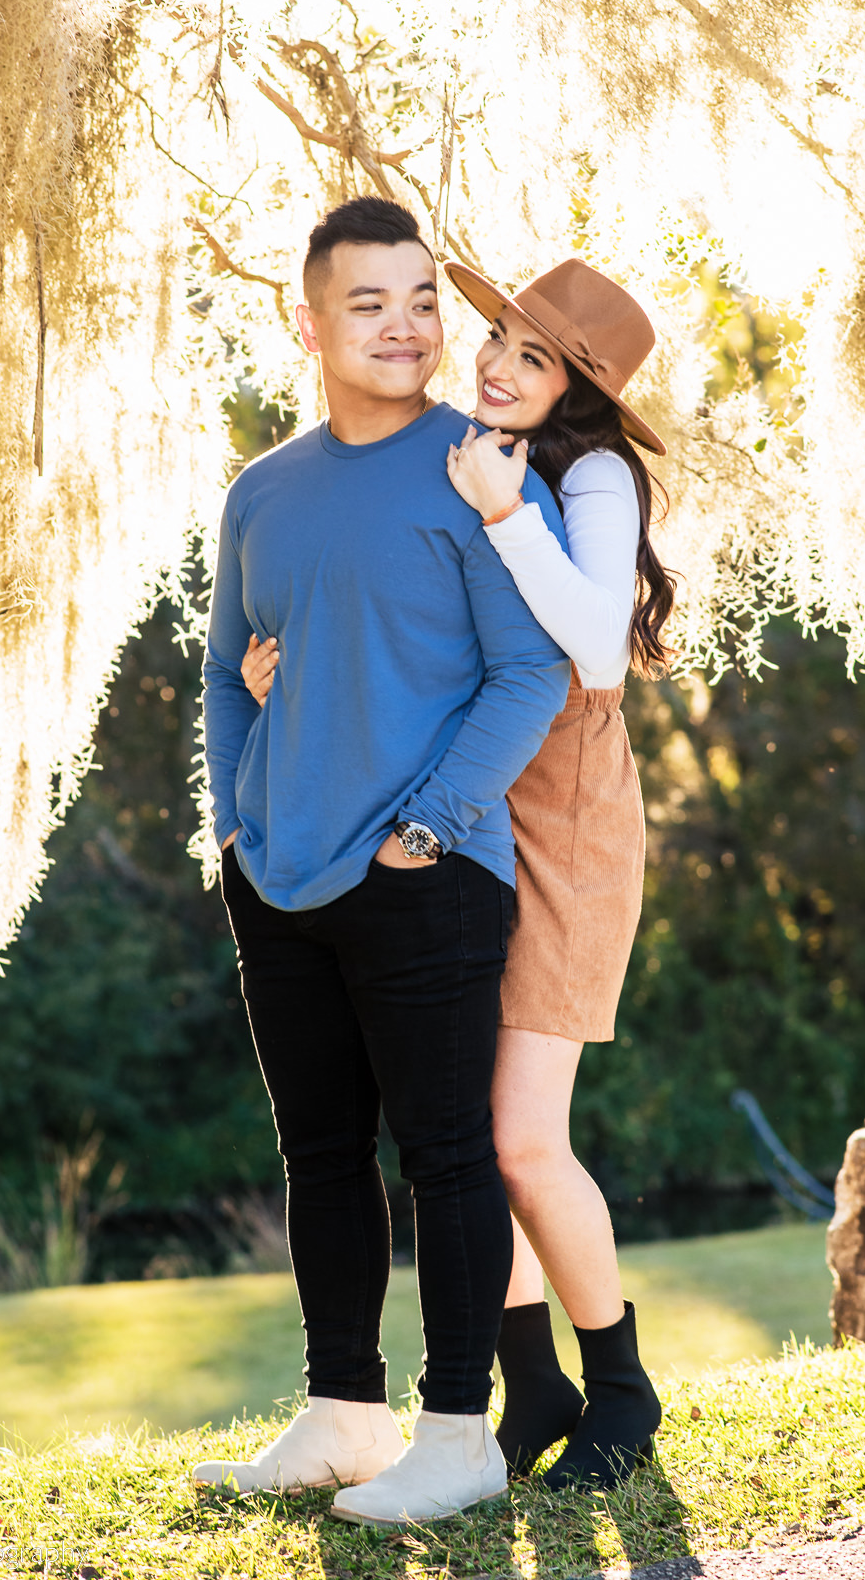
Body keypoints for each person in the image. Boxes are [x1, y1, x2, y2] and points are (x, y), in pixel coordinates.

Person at [243, 256, 676, 1491]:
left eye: (533, 358)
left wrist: (502, 511)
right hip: (464, 813)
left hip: (564, 819)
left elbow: (592, 651)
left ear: (577, 391)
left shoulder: (583, 476)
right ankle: (528, 1382)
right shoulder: (459, 450)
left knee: (523, 1139)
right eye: (497, 337)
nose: (494, 362)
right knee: (463, 1132)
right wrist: (291, 671)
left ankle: (623, 1390)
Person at [195, 196, 570, 1527]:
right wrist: (236, 823)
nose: (406, 326)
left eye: (423, 300)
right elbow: (224, 674)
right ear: (309, 324)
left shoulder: (475, 468)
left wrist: (427, 825)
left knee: (448, 1157)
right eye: (370, 303)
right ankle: (345, 1412)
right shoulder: (261, 491)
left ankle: (459, 1433)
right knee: (318, 1157)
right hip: (278, 879)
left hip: (427, 874)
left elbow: (530, 669)